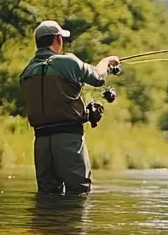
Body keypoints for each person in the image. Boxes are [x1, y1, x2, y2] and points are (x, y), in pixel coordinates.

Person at [19, 20, 120, 195]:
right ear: (57, 39)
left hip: (41, 143)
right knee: (78, 193)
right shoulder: (68, 62)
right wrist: (107, 61)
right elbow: (98, 77)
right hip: (68, 140)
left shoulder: (27, 71)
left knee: (47, 195)